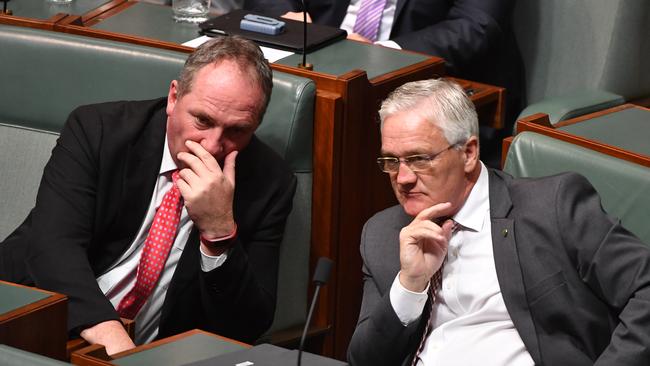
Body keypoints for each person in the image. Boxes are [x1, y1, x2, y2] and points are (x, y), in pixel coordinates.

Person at [0, 36, 296, 355]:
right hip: (34, 321)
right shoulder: (99, 131)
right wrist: (119, 350)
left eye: (237, 130)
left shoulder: (268, 184)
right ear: (173, 97)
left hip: (158, 355)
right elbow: (53, 249)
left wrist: (219, 232)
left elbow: (247, 327)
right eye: (203, 120)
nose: (212, 146)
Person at [347, 78, 650, 365]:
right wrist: (410, 284)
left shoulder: (551, 207)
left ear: (468, 152)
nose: (402, 178)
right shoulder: (383, 234)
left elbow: (645, 289)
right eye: (391, 161)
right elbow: (364, 359)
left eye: (419, 159)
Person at [245, 0, 525, 164]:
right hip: (317, 60)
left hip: (429, 82)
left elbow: (477, 24)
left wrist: (380, 52)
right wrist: (290, 21)